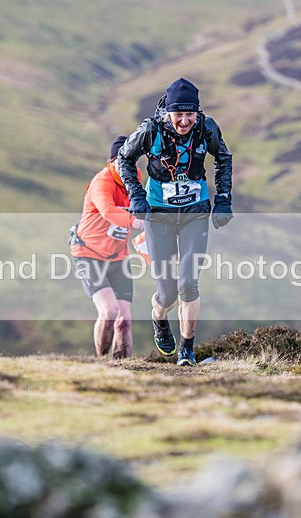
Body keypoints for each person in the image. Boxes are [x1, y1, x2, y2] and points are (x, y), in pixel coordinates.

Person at [118, 77, 233, 367]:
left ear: (197, 111)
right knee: (168, 290)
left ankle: (187, 349)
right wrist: (137, 197)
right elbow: (124, 159)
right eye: (178, 114)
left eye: (189, 114)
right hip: (159, 214)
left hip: (195, 211)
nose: (184, 121)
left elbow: (223, 158)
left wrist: (223, 199)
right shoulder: (150, 130)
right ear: (167, 112)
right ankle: (159, 319)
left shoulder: (207, 128)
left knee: (189, 282)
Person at [70, 136, 144, 359]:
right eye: (123, 162)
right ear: (112, 161)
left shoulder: (136, 179)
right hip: (88, 254)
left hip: (118, 257)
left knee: (125, 320)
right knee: (110, 311)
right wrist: (136, 222)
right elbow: (108, 211)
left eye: (132, 162)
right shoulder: (101, 182)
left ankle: (125, 369)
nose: (127, 168)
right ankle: (102, 363)